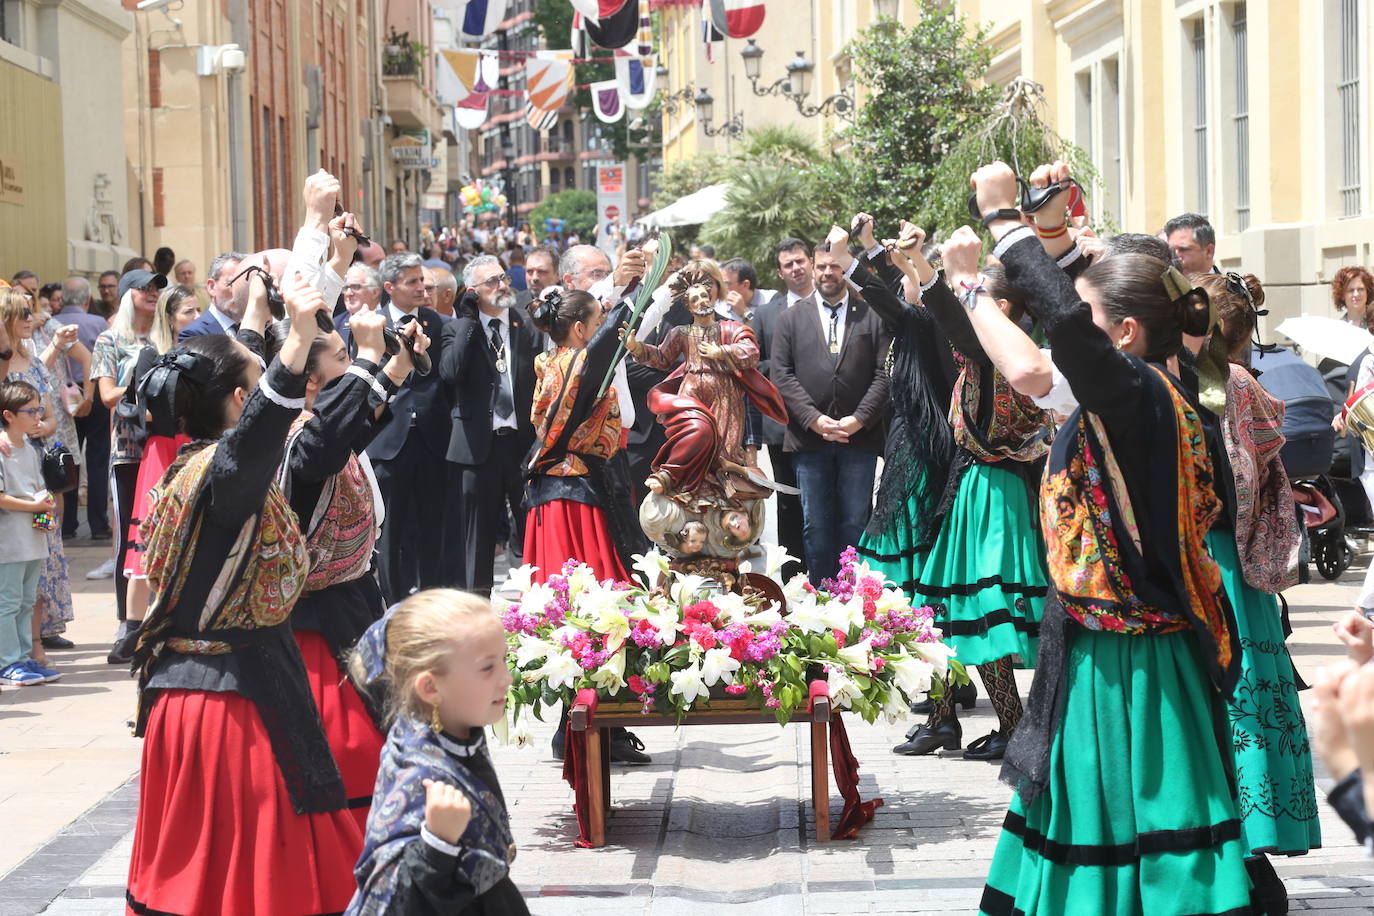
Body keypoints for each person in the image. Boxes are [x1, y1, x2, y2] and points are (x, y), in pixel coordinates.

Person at [970, 161, 1253, 916]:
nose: (1076, 338)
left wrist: (1007, 221)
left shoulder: (1140, 395)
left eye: (1094, 324)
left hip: (1135, 659)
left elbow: (1063, 330)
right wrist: (1029, 253)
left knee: (1141, 811)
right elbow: (1051, 328)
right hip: (1111, 646)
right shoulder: (1157, 389)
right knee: (1107, 804)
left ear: (1124, 334)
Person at [124, 273, 362, 916]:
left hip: (199, 691)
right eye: (258, 389)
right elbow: (255, 427)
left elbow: (227, 377)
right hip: (229, 706)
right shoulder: (224, 475)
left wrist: (265, 314)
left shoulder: (188, 465)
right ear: (239, 399)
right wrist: (300, 339)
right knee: (255, 876)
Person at [1191, 271, 1319, 906]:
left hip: (1211, 565)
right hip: (1246, 575)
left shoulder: (1214, 389)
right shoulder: (1244, 387)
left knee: (1224, 705)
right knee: (1249, 707)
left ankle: (1237, 858)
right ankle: (1251, 856)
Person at [525, 288, 651, 766]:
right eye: (597, 322)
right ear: (580, 329)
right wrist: (627, 297)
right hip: (572, 495)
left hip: (575, 488)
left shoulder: (560, 361)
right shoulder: (574, 364)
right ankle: (581, 724)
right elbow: (606, 348)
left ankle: (603, 719)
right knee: (590, 600)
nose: (604, 332)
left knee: (592, 599)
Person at [346, 590, 528, 915]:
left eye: (503, 660)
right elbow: (386, 900)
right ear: (430, 688)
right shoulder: (420, 775)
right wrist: (437, 842)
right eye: (488, 668)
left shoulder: (454, 726)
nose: (506, 678)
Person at [770, 236, 892, 584]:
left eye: (834, 265)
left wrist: (859, 419)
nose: (827, 273)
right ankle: (823, 597)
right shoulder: (791, 318)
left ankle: (855, 598)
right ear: (812, 266)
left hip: (859, 439)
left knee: (855, 520)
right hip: (810, 441)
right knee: (815, 524)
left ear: (848, 268)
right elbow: (782, 375)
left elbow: (885, 373)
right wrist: (813, 419)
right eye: (821, 266)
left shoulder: (871, 315)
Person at [439, 255, 540, 594]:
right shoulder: (457, 329)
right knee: (476, 541)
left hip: (523, 445)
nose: (502, 286)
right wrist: (468, 319)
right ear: (472, 292)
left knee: (533, 531)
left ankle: (540, 606)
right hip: (476, 448)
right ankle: (476, 610)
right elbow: (450, 373)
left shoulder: (527, 326)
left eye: (503, 278)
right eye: (492, 282)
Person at [355, 253, 451, 604]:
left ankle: (433, 604)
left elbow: (446, 378)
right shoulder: (370, 325)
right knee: (391, 532)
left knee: (433, 528)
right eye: (412, 282)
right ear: (389, 287)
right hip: (387, 441)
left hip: (431, 440)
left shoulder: (438, 324)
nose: (421, 289)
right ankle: (395, 606)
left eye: (422, 282)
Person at [113, 286, 202, 656]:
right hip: (163, 448)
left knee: (190, 535)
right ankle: (131, 630)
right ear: (170, 317)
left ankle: (177, 621)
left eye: (199, 310)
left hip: (194, 446)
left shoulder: (203, 353)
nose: (196, 317)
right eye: (188, 312)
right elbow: (137, 407)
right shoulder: (151, 355)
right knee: (146, 537)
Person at [90, 268, 166, 649]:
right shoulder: (109, 340)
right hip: (129, 451)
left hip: (168, 445)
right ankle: (127, 619)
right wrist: (143, 389)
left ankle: (161, 615)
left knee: (168, 531)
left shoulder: (165, 337)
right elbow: (105, 395)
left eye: (156, 288)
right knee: (129, 539)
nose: (153, 293)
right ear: (126, 294)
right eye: (145, 288)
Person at [3, 289, 80, 661]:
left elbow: (51, 418)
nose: (30, 320)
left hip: (39, 468)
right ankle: (17, 652)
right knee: (15, 554)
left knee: (46, 550)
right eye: (22, 314)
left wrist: (41, 426)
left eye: (31, 313)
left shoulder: (34, 362)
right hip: (10, 468)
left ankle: (38, 643)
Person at [752, 239, 816, 578]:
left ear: (811, 262)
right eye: (788, 264)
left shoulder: (832, 305)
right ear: (780, 272)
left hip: (831, 420)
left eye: (800, 261)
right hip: (783, 424)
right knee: (790, 503)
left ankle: (834, 573)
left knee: (828, 502)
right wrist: (789, 370)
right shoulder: (765, 315)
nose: (796, 268)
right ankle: (794, 578)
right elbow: (753, 368)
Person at [0, 380, 60, 686]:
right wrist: (34, 506)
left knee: (25, 601)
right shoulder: (3, 449)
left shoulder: (30, 450)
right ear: (9, 415)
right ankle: (7, 662)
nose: (38, 416)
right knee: (8, 602)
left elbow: (39, 491)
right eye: (30, 411)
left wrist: (44, 518)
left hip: (31, 540)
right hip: (9, 542)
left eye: (39, 409)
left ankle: (23, 657)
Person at [54, 276, 110, 540]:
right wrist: (89, 396)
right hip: (94, 391)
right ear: (87, 299)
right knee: (97, 457)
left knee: (67, 458)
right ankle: (99, 525)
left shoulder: (52, 324)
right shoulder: (99, 323)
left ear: (63, 299)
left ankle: (67, 526)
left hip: (62, 397)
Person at [178, 251, 246, 340]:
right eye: (232, 283)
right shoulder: (194, 334)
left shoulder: (257, 329)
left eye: (245, 285)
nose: (239, 291)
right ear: (212, 287)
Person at [1164, 212, 1217, 276]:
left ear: (1209, 251)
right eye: (1171, 251)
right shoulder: (1162, 285)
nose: (1175, 256)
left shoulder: (1227, 285)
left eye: (1183, 249)